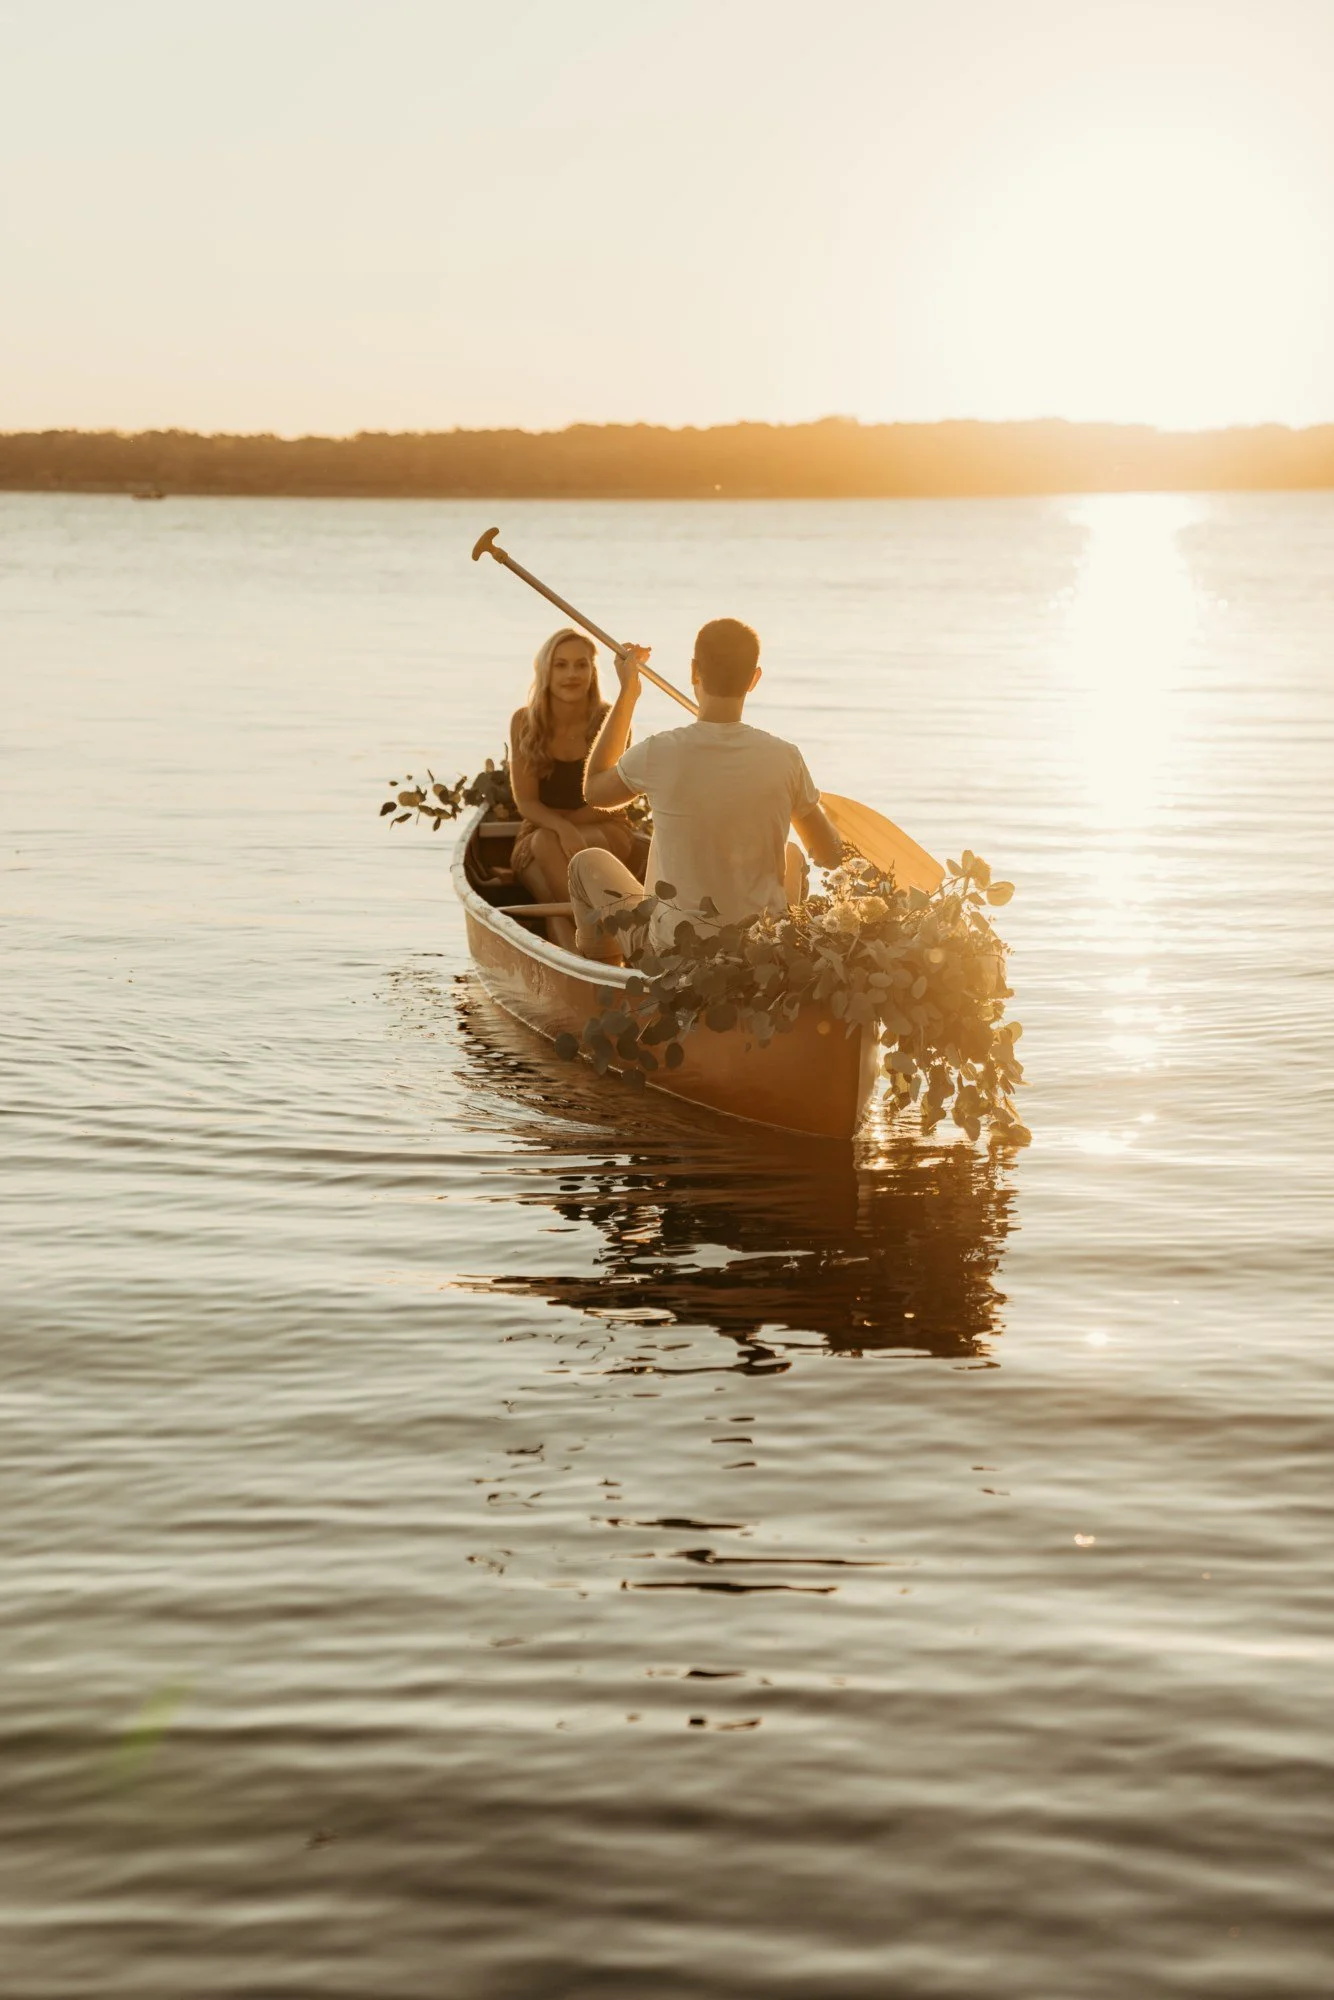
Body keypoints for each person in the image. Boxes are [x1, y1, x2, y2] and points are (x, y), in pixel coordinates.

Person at [571, 616, 843, 962]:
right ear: (754, 679)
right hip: (758, 955)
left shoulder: (659, 751)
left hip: (674, 953)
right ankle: (775, 956)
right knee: (794, 854)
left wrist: (628, 694)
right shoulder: (786, 757)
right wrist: (820, 816)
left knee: (584, 864)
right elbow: (830, 855)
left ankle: (607, 970)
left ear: (694, 672)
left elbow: (595, 790)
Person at [508, 628, 642, 952]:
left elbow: (613, 797)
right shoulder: (525, 721)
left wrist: (562, 827)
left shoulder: (608, 719)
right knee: (544, 844)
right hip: (539, 831)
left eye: (581, 665)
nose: (571, 674)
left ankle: (582, 956)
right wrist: (563, 828)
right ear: (545, 670)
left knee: (547, 857)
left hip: (604, 825)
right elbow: (526, 802)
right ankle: (592, 955)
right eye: (561, 665)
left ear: (592, 671)